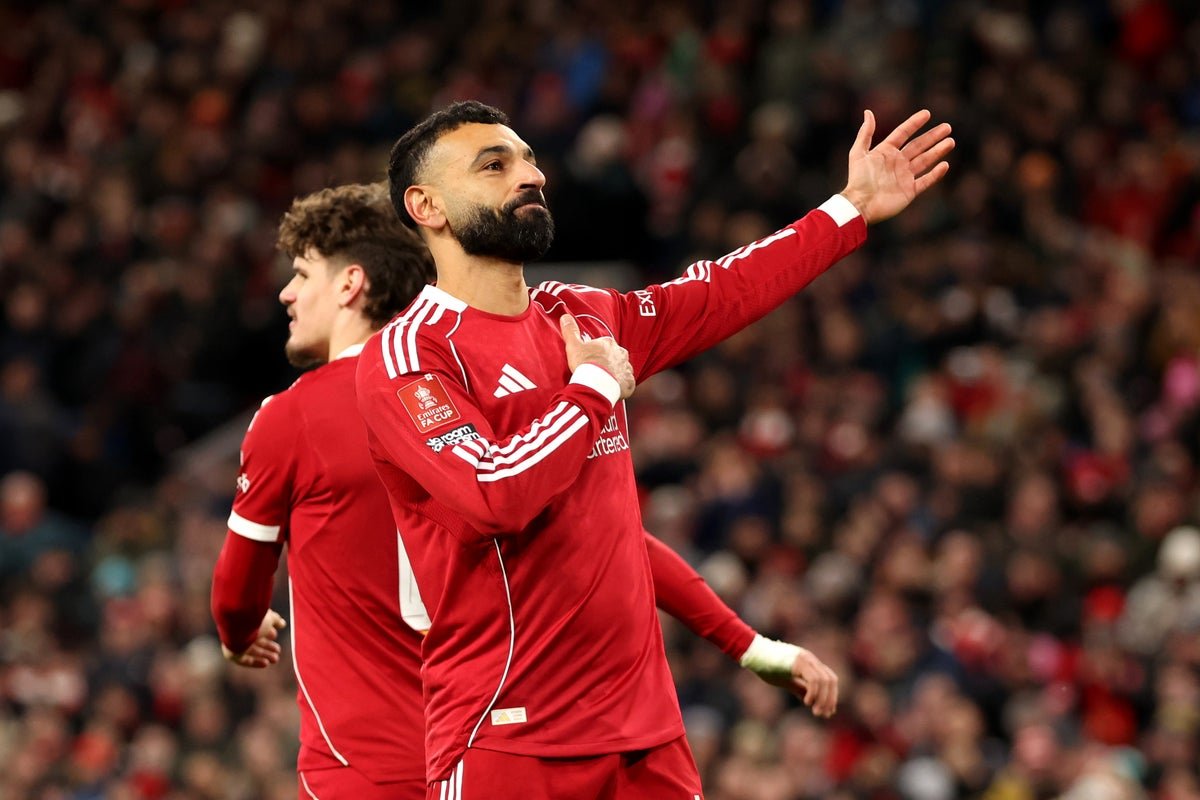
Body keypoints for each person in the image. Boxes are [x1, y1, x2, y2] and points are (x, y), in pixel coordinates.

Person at [355, 100, 952, 798]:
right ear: (426, 206)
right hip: (509, 739)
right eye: (494, 165)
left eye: (529, 159)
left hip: (647, 739)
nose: (531, 175)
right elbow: (497, 494)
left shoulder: (580, 315)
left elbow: (721, 291)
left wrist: (850, 208)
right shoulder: (410, 356)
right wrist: (592, 388)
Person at [211, 182, 840, 800]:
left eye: (301, 274)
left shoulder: (292, 419)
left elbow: (234, 597)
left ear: (350, 283)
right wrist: (745, 642)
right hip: (494, 735)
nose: (287, 292)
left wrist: (240, 634)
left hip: (379, 764)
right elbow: (608, 539)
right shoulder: (466, 385)